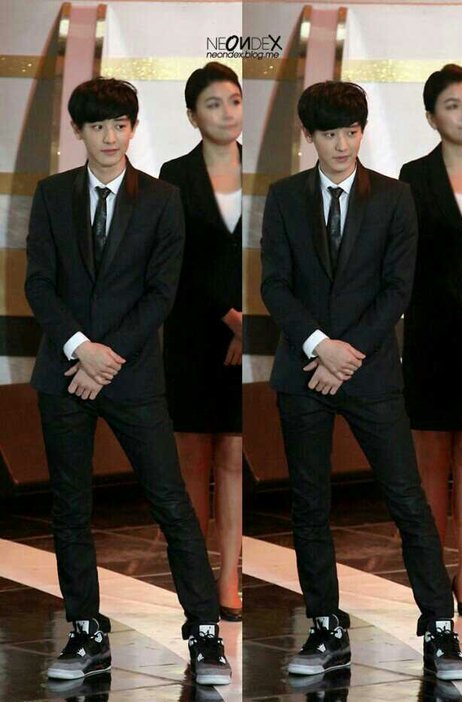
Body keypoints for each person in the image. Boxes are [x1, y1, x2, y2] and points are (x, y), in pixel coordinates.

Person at [260, 80, 462, 680]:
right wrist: (320, 346)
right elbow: (275, 283)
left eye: (351, 132)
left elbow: (398, 288)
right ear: (309, 136)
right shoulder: (284, 197)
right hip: (305, 371)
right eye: (330, 134)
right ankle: (326, 627)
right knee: (309, 506)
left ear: (362, 132)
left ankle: (440, 629)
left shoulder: (395, 197)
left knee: (408, 500)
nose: (342, 145)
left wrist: (347, 354)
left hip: (370, 371)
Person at [24, 77, 231, 685]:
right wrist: (80, 349)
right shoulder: (52, 194)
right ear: (79, 132)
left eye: (120, 125)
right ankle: (85, 633)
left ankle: (205, 633)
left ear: (133, 128)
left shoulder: (163, 199)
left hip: (132, 374)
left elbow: (161, 292)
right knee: (70, 510)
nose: (110, 137)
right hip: (66, 372)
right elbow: (40, 283)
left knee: (172, 504)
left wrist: (107, 357)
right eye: (98, 126)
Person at [159, 62, 242, 621]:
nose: (227, 112)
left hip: (248, 336)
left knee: (234, 457)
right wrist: (227, 316)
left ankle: (230, 579)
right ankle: (193, 580)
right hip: (194, 331)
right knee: (192, 461)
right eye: (213, 103)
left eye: (234, 101)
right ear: (193, 116)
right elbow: (174, 261)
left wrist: (248, 321)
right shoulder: (175, 175)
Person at [400, 64, 462, 617]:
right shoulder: (414, 176)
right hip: (433, 332)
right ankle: (430, 576)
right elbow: (414, 262)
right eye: (452, 105)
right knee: (430, 461)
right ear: (431, 117)